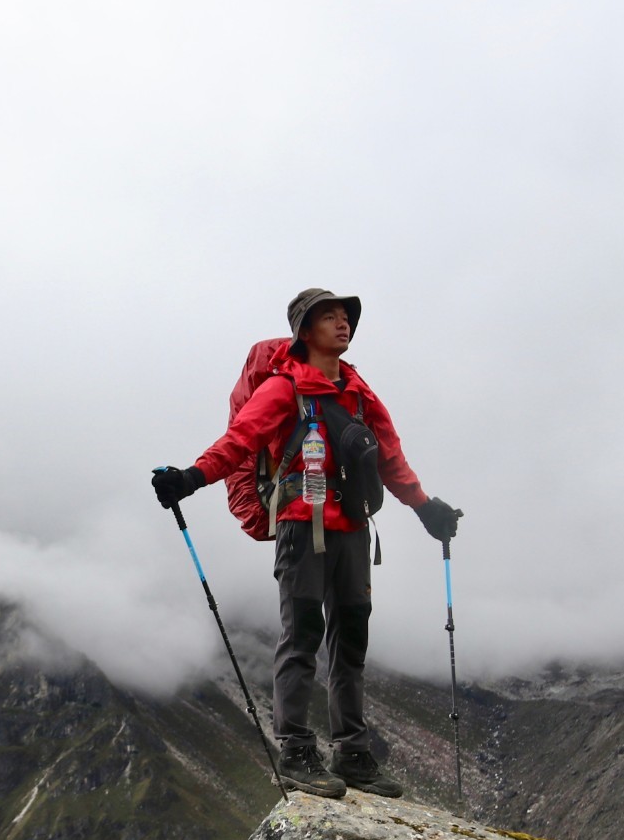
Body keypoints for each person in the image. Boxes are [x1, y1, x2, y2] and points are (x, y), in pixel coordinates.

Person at [151, 288, 459, 799]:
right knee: (303, 636)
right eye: (330, 317)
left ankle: (352, 753)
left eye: (346, 318)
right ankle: (295, 751)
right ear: (304, 331)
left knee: (352, 637)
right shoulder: (283, 387)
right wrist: (191, 477)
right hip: (301, 524)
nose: (343, 325)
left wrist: (426, 508)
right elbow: (241, 440)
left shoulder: (359, 393)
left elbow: (389, 458)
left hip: (353, 528)